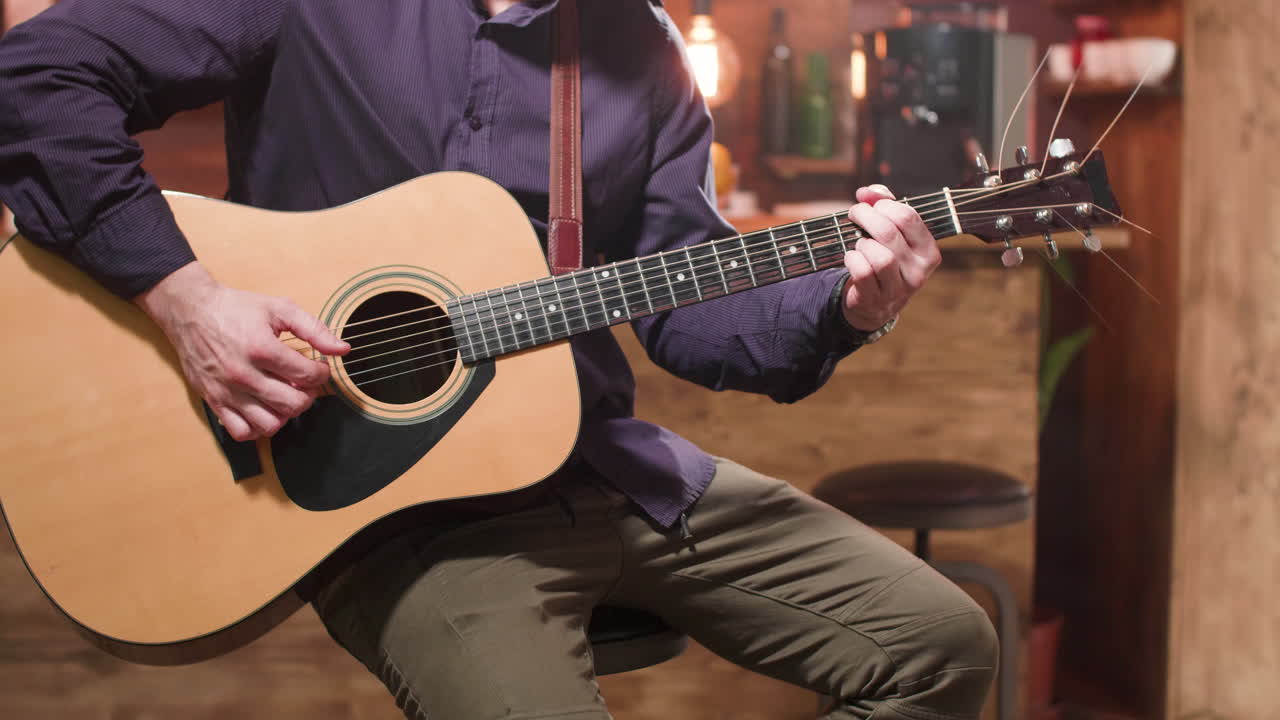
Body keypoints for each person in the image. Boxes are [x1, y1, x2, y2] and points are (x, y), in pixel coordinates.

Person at [0, 1, 997, 718]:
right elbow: (36, 80)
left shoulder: (635, 47)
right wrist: (188, 302)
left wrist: (845, 303)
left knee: (941, 648)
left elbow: (687, 303)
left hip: (610, 473)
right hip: (393, 517)